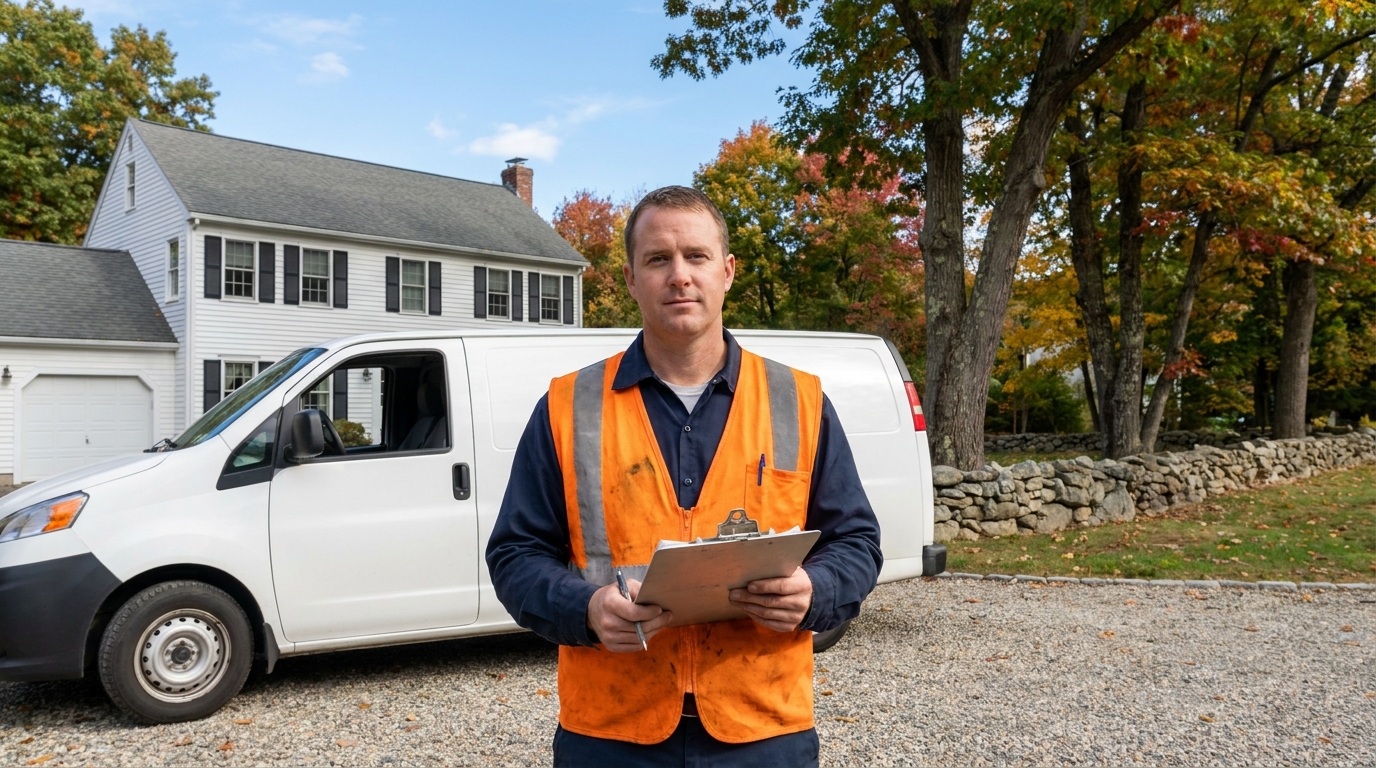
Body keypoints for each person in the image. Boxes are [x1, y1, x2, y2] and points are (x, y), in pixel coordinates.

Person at [485, 186, 882, 767]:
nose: (679, 276)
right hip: (612, 730)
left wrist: (815, 592)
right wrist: (587, 609)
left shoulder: (799, 400)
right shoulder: (569, 406)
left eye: (695, 256)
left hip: (763, 728)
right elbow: (515, 553)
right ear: (629, 278)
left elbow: (856, 542)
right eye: (657, 259)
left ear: (726, 271)